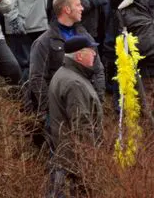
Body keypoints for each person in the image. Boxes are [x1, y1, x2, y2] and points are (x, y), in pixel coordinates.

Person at [46, 34, 103, 195]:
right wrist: (90, 159)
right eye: (90, 50)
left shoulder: (65, 74)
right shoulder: (74, 83)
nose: (94, 54)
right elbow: (82, 124)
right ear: (79, 55)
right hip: (75, 161)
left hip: (66, 157)